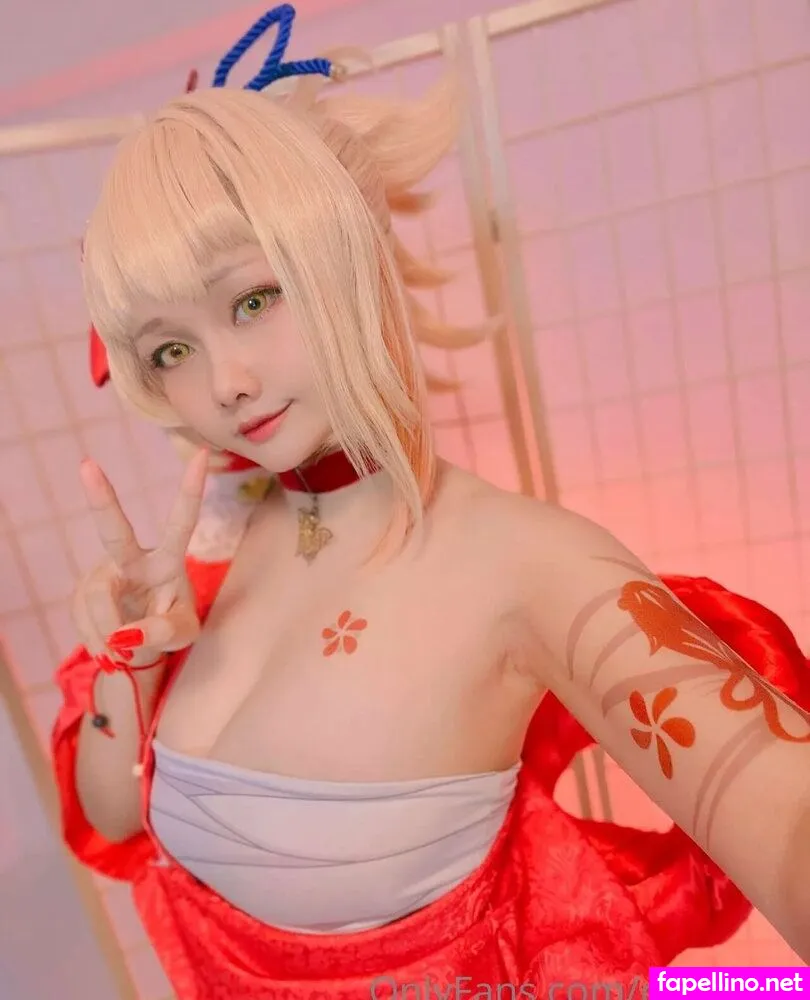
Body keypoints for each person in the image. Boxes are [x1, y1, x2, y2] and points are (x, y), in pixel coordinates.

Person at [52, 6, 810, 997]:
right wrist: (131, 666)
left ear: (348, 255)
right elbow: (115, 817)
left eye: (253, 299)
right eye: (171, 350)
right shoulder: (217, 549)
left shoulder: (532, 567)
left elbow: (786, 820)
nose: (224, 383)